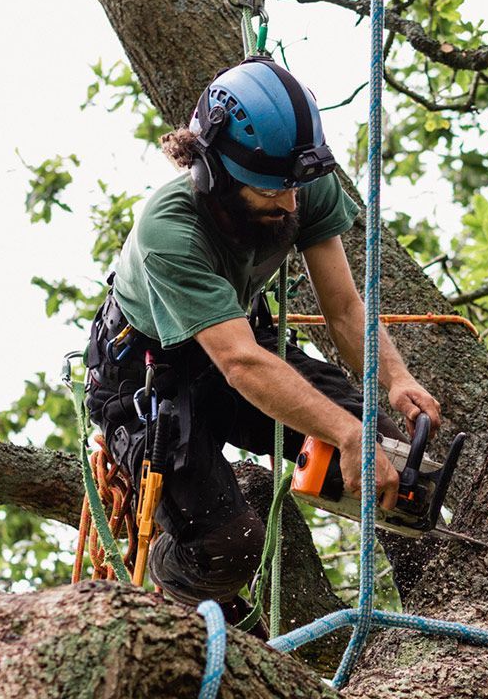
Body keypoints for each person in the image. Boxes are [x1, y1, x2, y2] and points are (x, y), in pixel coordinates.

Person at [84, 55, 442, 615]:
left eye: (295, 187)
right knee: (228, 546)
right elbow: (241, 365)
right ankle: (171, 579)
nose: (289, 203)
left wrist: (394, 379)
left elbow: (344, 310)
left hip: (239, 349)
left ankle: (439, 607)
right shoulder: (169, 229)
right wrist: (345, 435)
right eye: (271, 190)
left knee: (390, 457)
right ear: (212, 173)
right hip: (151, 382)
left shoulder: (295, 180)